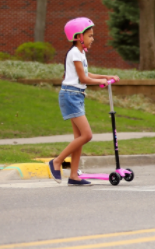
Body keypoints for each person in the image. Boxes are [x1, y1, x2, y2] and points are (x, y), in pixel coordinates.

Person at [48, 18, 119, 186]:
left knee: (78, 137)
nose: (92, 39)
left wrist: (105, 77)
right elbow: (82, 78)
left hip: (77, 95)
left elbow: (87, 74)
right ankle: (57, 161)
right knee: (87, 135)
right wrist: (102, 82)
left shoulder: (81, 53)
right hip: (70, 95)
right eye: (90, 35)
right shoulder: (74, 53)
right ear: (79, 36)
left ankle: (74, 176)